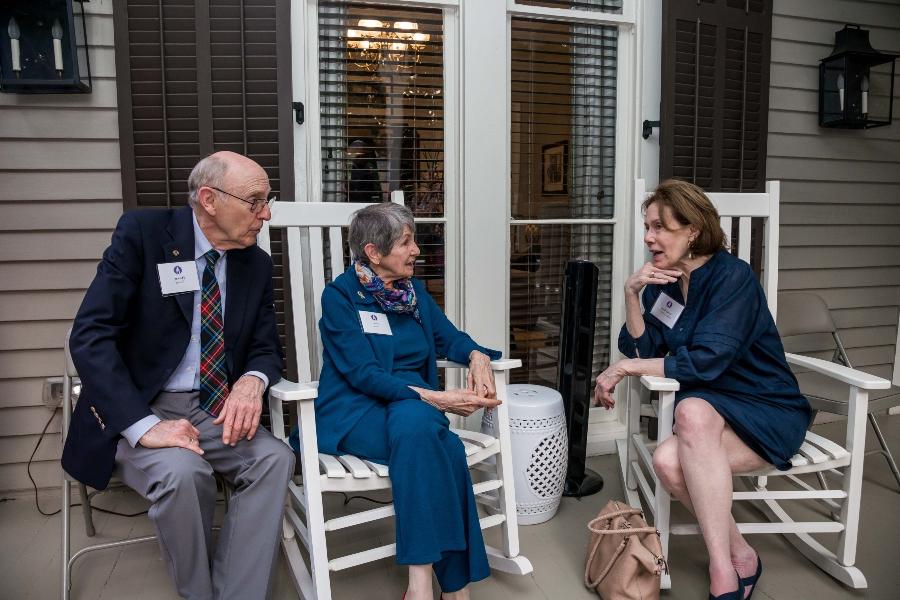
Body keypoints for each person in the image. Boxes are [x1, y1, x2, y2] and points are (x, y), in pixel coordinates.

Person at [62, 151, 295, 600]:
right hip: (138, 403)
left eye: (268, 201)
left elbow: (266, 347)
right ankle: (199, 594)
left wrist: (252, 380)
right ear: (209, 199)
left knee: (275, 460)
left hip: (212, 405)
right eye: (255, 201)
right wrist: (145, 426)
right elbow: (90, 337)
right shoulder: (144, 235)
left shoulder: (255, 264)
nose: (265, 214)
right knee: (184, 473)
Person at [593, 179, 810, 600]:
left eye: (659, 227)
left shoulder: (734, 278)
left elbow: (707, 361)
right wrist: (632, 295)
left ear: (693, 229)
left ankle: (721, 572)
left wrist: (623, 368)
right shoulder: (666, 282)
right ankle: (740, 555)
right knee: (671, 460)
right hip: (712, 411)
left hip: (765, 406)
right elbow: (646, 348)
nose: (649, 237)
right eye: (647, 226)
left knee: (689, 413)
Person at [298, 202, 501, 600]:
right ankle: (455, 586)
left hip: (411, 409)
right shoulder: (340, 297)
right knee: (439, 441)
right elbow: (363, 374)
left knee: (418, 428)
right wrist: (436, 398)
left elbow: (450, 338)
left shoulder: (413, 294)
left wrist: (476, 355)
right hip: (358, 408)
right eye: (407, 242)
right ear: (374, 252)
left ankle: (420, 581)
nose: (417, 251)